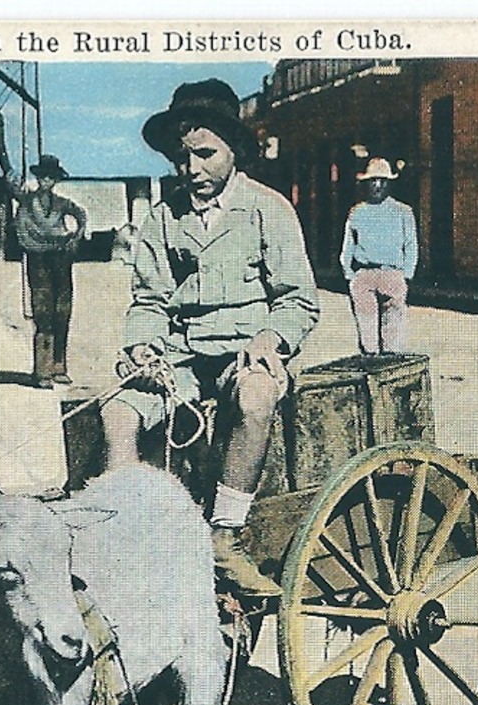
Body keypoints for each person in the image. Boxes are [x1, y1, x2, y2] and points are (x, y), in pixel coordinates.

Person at [100, 78, 319, 597]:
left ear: (234, 151)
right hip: (179, 359)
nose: (191, 169)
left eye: (204, 155)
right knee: (116, 414)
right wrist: (142, 346)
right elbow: (150, 300)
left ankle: (225, 535)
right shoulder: (161, 219)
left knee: (258, 395)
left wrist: (270, 338)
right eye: (181, 158)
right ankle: (127, 532)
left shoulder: (268, 210)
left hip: (242, 354)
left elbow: (299, 299)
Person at [0, 112, 87, 387]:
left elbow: (81, 215)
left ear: (56, 180)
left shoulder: (62, 203)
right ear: (38, 178)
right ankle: (42, 371)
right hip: (37, 258)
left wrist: (76, 236)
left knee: (62, 312)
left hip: (61, 258)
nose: (46, 181)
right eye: (43, 177)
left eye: (51, 178)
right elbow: (7, 167)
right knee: (42, 312)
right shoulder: (25, 197)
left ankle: (59, 366)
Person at [339, 157, 418, 356]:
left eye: (382, 181)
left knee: (392, 337)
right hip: (364, 276)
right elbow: (348, 245)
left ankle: (388, 377)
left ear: (389, 184)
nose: (377, 185)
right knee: (367, 338)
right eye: (373, 181)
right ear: (366, 183)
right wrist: (350, 275)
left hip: (392, 275)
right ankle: (370, 376)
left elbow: (411, 244)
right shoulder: (357, 212)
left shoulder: (403, 212)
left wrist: (405, 274)